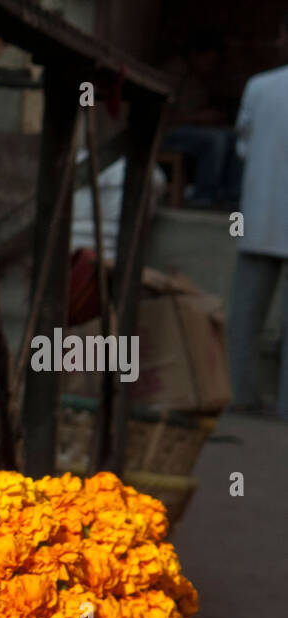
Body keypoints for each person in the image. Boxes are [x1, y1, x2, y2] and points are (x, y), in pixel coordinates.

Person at [227, 14, 288, 418]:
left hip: (261, 218)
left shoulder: (260, 86)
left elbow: (243, 147)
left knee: (246, 318)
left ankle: (241, 396)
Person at [159, 30, 241, 206]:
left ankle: (229, 195)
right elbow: (162, 116)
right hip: (164, 134)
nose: (210, 67)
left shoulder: (201, 80)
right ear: (194, 55)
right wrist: (197, 118)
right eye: (208, 61)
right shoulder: (174, 72)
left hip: (191, 132)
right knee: (215, 140)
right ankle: (203, 196)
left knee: (233, 136)